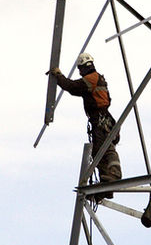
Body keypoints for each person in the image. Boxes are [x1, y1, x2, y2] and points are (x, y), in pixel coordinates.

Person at [50, 53, 123, 189]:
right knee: (98, 151)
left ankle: (114, 175)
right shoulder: (99, 78)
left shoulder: (91, 79)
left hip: (100, 120)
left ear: (82, 67)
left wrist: (58, 75)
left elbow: (72, 87)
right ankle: (106, 183)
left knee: (105, 149)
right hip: (103, 119)